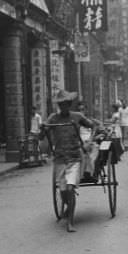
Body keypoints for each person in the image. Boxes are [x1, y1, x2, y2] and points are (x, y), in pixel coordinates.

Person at [42, 90, 97, 232]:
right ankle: (68, 206)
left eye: (65, 104)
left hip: (74, 157)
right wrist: (43, 128)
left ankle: (70, 222)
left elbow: (93, 126)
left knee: (70, 188)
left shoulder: (77, 116)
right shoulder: (53, 118)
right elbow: (43, 134)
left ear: (69, 104)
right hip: (60, 158)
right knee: (63, 191)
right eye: (60, 104)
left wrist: (89, 141)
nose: (63, 107)